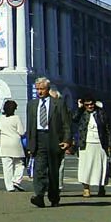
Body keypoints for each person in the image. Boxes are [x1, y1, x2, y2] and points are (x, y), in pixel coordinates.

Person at [26, 77, 73, 208]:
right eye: (37, 89)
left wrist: (67, 140)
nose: (39, 92)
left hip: (54, 139)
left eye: (42, 89)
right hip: (39, 139)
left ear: (48, 89)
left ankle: (54, 197)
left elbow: (66, 123)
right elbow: (30, 126)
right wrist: (30, 145)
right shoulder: (32, 105)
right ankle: (39, 196)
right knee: (39, 169)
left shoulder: (58, 103)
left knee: (53, 171)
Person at [72, 94, 111, 197]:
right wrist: (80, 108)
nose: (90, 106)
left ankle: (101, 188)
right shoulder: (82, 113)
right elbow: (74, 119)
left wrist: (110, 143)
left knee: (101, 167)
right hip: (85, 143)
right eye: (87, 105)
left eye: (91, 104)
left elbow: (107, 129)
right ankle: (86, 188)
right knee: (86, 167)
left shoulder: (101, 112)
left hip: (100, 143)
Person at [0, 100, 26, 192]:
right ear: (14, 109)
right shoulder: (16, 118)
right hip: (15, 144)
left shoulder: (0, 118)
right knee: (19, 164)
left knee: (7, 167)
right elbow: (21, 132)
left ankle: (9, 187)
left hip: (4, 145)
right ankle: (16, 181)